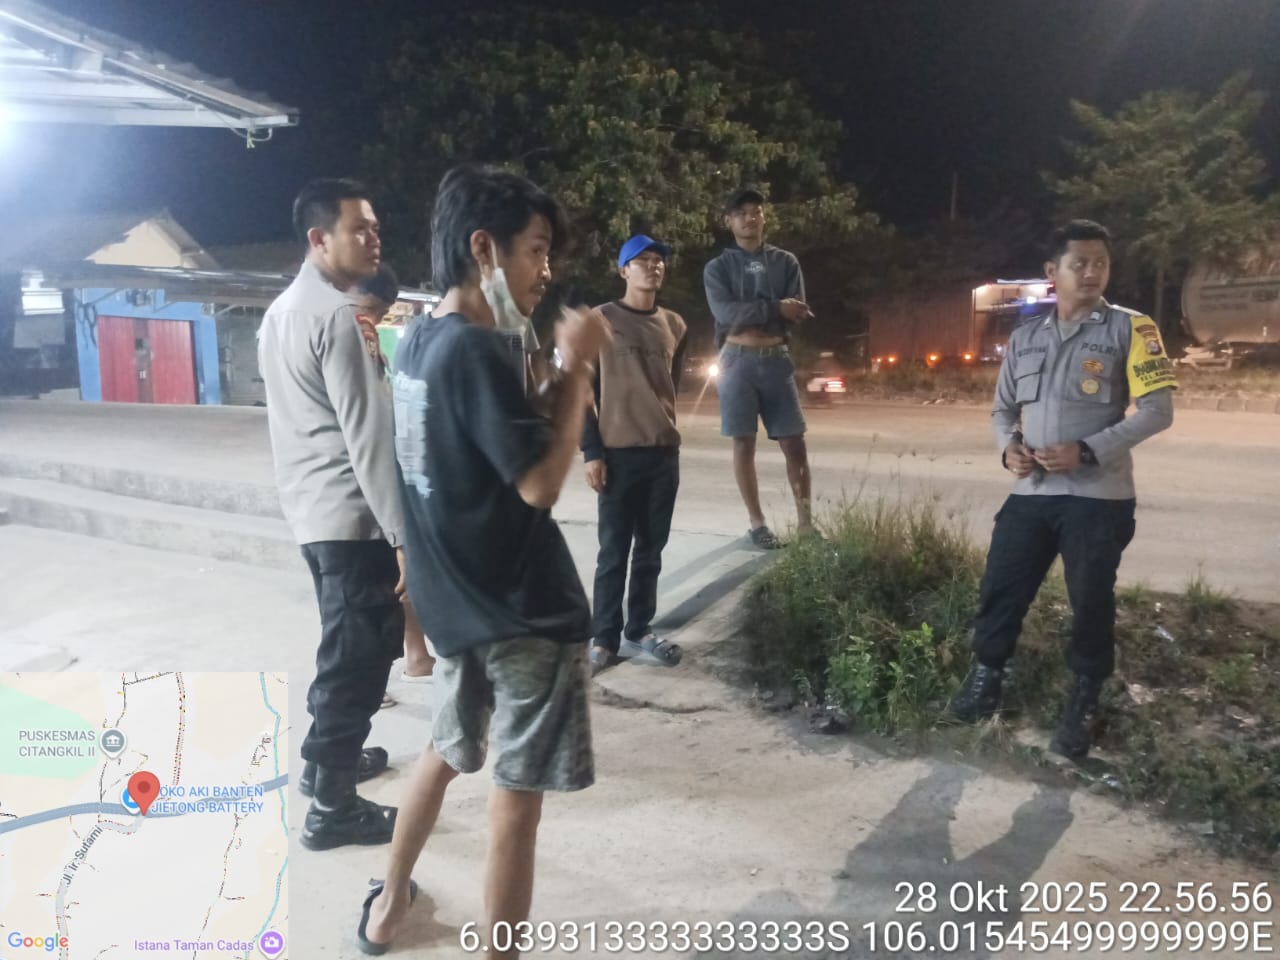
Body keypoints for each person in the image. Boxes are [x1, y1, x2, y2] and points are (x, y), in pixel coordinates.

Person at [357, 165, 609, 957]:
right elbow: (539, 483)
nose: (546, 270)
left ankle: (388, 906)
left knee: (442, 753)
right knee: (516, 799)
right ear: (483, 249)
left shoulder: (420, 342)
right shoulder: (477, 349)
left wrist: (550, 374)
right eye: (536, 249)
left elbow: (491, 442)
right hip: (526, 611)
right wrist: (579, 372)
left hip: (458, 607)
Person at [947, 219, 1177, 759]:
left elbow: (1157, 411)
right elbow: (1003, 410)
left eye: (1101, 263)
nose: (1092, 272)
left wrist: (1088, 450)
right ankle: (987, 677)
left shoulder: (1131, 329)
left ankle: (1085, 697)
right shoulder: (1026, 337)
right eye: (1080, 263)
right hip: (1032, 493)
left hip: (1098, 496)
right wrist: (1008, 448)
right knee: (1001, 585)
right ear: (1053, 271)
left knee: (1090, 599)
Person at [257, 178, 403, 849]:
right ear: (320, 239)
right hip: (353, 516)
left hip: (313, 514)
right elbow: (368, 435)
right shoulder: (342, 317)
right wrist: (403, 537)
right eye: (359, 229)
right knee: (359, 660)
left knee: (344, 647)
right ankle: (333, 808)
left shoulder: (281, 312)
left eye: (375, 227)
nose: (374, 238)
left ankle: (327, 767)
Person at [582, 234, 688, 675]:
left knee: (651, 550)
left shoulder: (675, 325)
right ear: (623, 270)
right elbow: (582, 390)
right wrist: (592, 451)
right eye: (641, 260)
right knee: (613, 552)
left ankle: (639, 627)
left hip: (663, 454)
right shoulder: (599, 319)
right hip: (617, 455)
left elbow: (671, 385)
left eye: (658, 260)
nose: (652, 266)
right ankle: (603, 636)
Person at [703, 188, 814, 549]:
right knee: (743, 441)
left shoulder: (785, 262)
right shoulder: (718, 267)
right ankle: (757, 524)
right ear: (728, 221)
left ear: (764, 218)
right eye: (741, 213)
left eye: (756, 212)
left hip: (777, 358)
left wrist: (760, 311)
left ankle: (806, 526)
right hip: (736, 360)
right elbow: (725, 314)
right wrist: (774, 308)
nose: (750, 218)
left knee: (794, 442)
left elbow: (797, 311)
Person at [351, 265, 437, 696]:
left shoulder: (345, 328)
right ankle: (371, 676)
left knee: (398, 574)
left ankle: (415, 656)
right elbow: (367, 416)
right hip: (366, 478)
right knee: (385, 577)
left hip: (371, 472)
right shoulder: (353, 330)